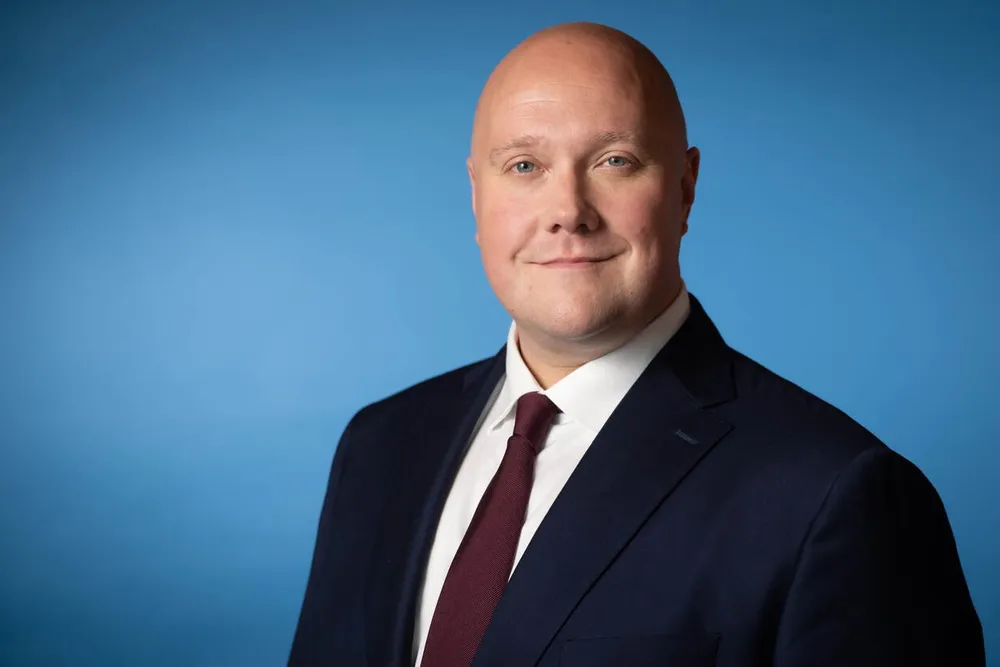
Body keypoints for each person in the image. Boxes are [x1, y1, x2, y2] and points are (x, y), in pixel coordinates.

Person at [288, 22, 984, 667]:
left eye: (615, 160)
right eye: (525, 166)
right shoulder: (379, 445)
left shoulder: (836, 492)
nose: (568, 212)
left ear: (685, 188)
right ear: (476, 195)